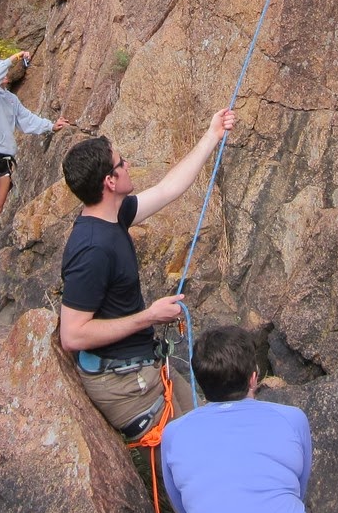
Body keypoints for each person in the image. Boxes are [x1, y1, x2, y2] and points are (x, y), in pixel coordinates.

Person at [59, 108, 236, 438]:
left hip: (142, 365)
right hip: (123, 383)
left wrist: (211, 135)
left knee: (208, 425)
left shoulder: (114, 215)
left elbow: (168, 189)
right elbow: (72, 335)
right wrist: (149, 317)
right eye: (121, 162)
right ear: (109, 182)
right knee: (197, 452)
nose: (127, 165)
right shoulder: (93, 249)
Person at [160, 325, 312, 513]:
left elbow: (184, 511)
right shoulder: (293, 419)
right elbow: (299, 491)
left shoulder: (174, 433)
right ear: (253, 378)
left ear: (199, 381)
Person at [0, 51, 68, 271]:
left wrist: (51, 125)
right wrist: (14, 57)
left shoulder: (10, 99)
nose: (5, 74)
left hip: (4, 157)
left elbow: (26, 120)